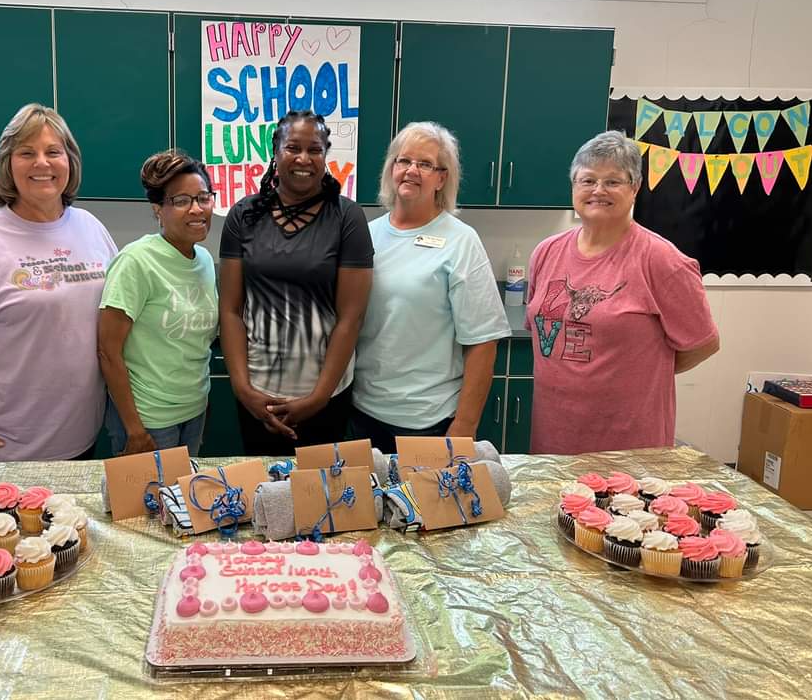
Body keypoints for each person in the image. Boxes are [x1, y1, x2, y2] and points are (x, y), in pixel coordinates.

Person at [0, 103, 117, 462]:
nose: (42, 164)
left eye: (53, 152)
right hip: (4, 445)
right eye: (26, 153)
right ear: (8, 165)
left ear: (70, 161)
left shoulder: (91, 228)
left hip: (80, 438)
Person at [526, 130, 719, 454]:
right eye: (587, 180)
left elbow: (703, 344)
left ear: (635, 188)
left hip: (628, 447)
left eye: (612, 181)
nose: (598, 191)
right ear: (574, 186)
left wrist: (642, 371)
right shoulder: (546, 252)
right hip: (552, 439)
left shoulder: (661, 260)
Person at [219, 110, 374, 455]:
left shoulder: (347, 218)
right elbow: (230, 310)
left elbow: (351, 318)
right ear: (276, 152)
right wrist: (243, 390)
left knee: (321, 497)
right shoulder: (243, 215)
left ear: (325, 156)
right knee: (264, 495)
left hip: (325, 396)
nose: (304, 158)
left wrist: (318, 398)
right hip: (258, 396)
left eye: (315, 150)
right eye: (293, 147)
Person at [352, 122, 511, 454]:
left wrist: (463, 428)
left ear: (442, 177)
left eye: (424, 164)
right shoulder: (364, 235)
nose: (411, 170)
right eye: (403, 160)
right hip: (362, 414)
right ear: (391, 169)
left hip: (429, 422)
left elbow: (483, 342)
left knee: (423, 507)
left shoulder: (461, 241)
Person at [98, 151, 218, 456]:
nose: (197, 209)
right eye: (181, 201)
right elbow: (108, 351)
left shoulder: (203, 259)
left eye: (203, 198)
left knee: (182, 501)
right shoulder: (136, 262)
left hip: (193, 412)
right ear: (158, 210)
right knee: (144, 505)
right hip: (148, 420)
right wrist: (134, 430)